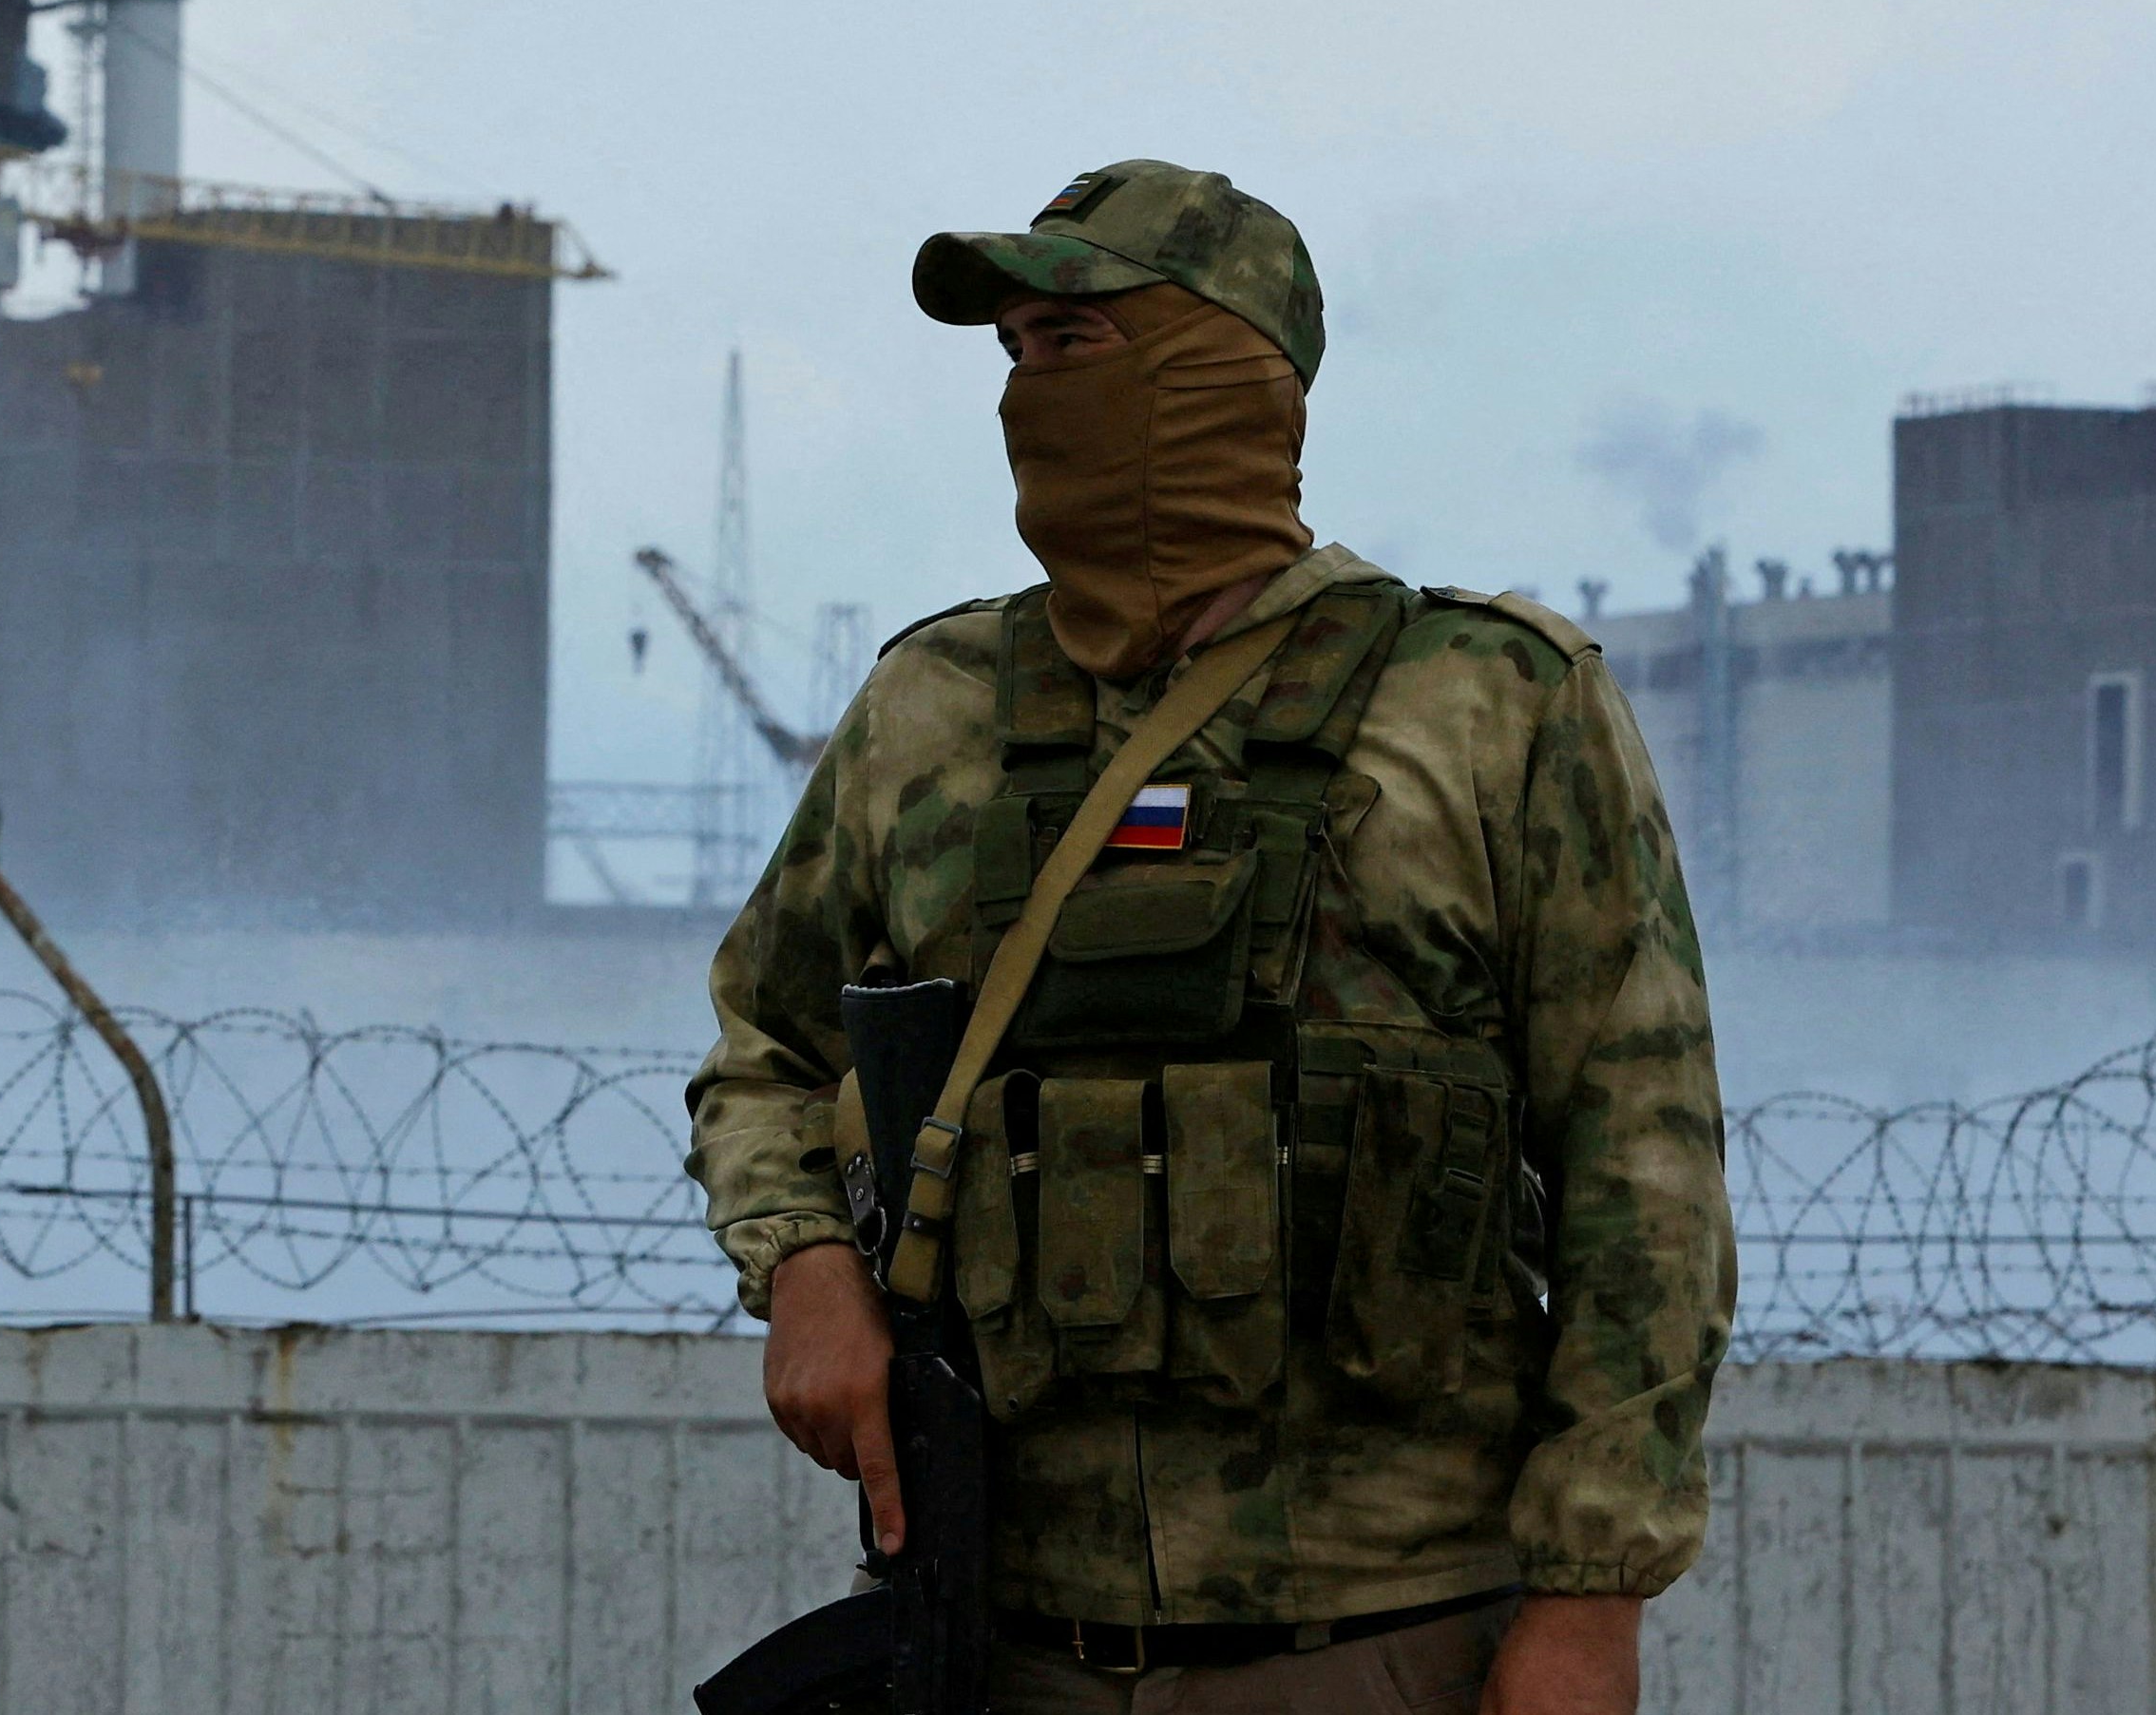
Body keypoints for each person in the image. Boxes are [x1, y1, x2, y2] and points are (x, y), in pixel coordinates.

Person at [685, 161, 1733, 1714]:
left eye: (1073, 346)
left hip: (1385, 1633)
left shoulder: (1491, 703)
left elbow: (1641, 1171)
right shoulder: (936, 707)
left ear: (1219, 373)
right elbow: (768, 1048)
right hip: (1008, 1637)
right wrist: (805, 1267)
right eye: (1012, 355)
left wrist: (1589, 1603)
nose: (1027, 394)